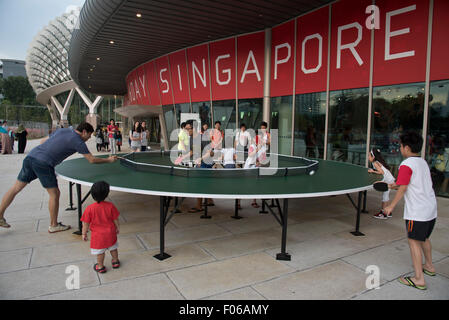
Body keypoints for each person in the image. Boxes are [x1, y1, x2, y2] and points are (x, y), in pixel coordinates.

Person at [0, 123, 117, 230]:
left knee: (15, 188)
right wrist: (108, 160)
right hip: (44, 163)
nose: (89, 138)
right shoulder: (78, 142)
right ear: (84, 131)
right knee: (54, 193)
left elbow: (42, 142)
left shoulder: (63, 131)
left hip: (31, 157)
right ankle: (54, 225)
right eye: (89, 135)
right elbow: (91, 160)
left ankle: (0, 215)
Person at [383, 132, 437, 291]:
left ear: (406, 148)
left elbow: (404, 187)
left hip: (417, 212)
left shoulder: (406, 164)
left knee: (413, 241)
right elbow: (408, 183)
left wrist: (391, 206)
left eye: (400, 146)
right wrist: (396, 185)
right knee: (424, 238)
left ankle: (419, 279)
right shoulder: (422, 162)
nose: (400, 149)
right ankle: (429, 266)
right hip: (430, 209)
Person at [81, 181, 120, 273]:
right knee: (113, 247)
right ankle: (115, 261)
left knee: (100, 252)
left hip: (98, 236)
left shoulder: (89, 209)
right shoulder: (110, 206)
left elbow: (85, 223)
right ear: (106, 194)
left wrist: (84, 233)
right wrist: (117, 228)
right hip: (110, 232)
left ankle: (100, 266)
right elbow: (115, 219)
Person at [368, 148, 395, 219]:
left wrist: (373, 171)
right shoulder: (377, 161)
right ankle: (387, 212)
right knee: (386, 196)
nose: (368, 157)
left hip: (388, 180)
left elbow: (381, 172)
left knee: (385, 197)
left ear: (373, 157)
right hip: (390, 178)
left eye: (369, 156)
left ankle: (383, 213)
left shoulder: (375, 163)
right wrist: (374, 170)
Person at [244, 136, 260, 208]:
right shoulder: (252, 146)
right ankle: (238, 203)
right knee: (244, 185)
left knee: (255, 185)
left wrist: (258, 162)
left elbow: (256, 158)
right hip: (248, 167)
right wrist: (256, 150)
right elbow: (250, 155)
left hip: (254, 167)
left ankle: (254, 202)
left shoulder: (258, 147)